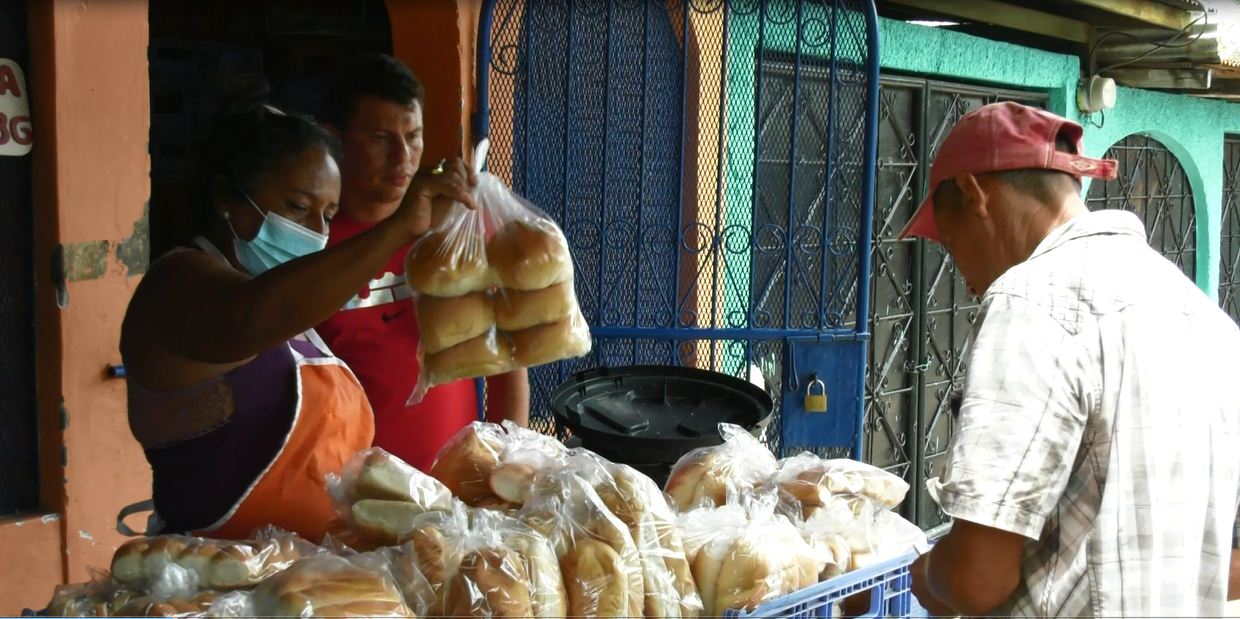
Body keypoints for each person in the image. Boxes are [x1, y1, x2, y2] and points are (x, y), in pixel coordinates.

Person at [900, 101, 1240, 616]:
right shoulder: (1205, 319)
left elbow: (976, 579)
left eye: (951, 243)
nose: (965, 281)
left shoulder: (1030, 300)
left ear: (974, 195)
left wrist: (931, 572)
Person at [118, 93, 476, 542]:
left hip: (312, 584)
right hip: (213, 588)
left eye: (327, 216)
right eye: (296, 207)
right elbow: (244, 322)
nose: (313, 232)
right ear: (225, 196)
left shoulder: (292, 303)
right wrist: (399, 228)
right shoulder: (177, 285)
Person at [315, 53, 530, 473]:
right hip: (353, 502)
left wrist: (507, 462)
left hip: (456, 492)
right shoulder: (311, 248)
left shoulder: (455, 230)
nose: (403, 157)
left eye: (413, 137)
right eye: (380, 138)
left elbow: (509, 361)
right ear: (335, 140)